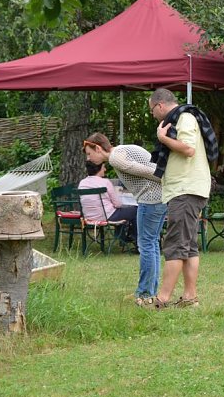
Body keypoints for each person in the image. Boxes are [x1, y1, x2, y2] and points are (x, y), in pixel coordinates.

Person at [83, 133, 165, 305]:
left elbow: (153, 171)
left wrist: (168, 178)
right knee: (152, 243)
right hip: (159, 199)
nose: (89, 159)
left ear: (98, 148)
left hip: (150, 199)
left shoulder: (115, 158)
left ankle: (144, 294)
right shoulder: (120, 151)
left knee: (146, 245)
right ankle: (150, 291)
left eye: (89, 154)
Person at [148, 88, 212, 308]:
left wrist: (162, 138)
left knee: (175, 244)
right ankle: (189, 297)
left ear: (160, 105)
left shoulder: (184, 118)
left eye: (152, 110)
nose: (153, 115)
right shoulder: (181, 118)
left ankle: (162, 299)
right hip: (188, 188)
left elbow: (188, 149)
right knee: (189, 245)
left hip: (186, 189)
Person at [77, 160, 138, 243]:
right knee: (136, 210)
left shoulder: (82, 183)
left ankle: (122, 236)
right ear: (98, 169)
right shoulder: (105, 182)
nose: (105, 169)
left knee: (122, 212)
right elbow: (118, 204)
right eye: (103, 167)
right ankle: (137, 239)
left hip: (89, 217)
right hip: (106, 216)